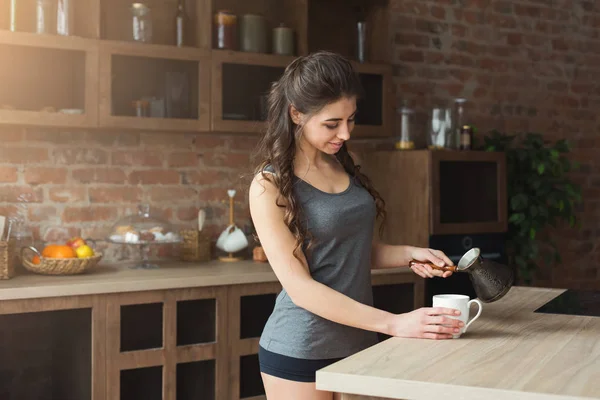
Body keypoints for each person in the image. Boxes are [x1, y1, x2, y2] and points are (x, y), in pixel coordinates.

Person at [248, 51, 463, 400]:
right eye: (332, 124)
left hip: (359, 343)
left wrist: (410, 254)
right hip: (300, 347)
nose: (345, 133)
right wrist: (396, 323)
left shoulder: (345, 165)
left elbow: (346, 249)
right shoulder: (268, 186)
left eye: (351, 119)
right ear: (296, 113)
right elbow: (300, 287)